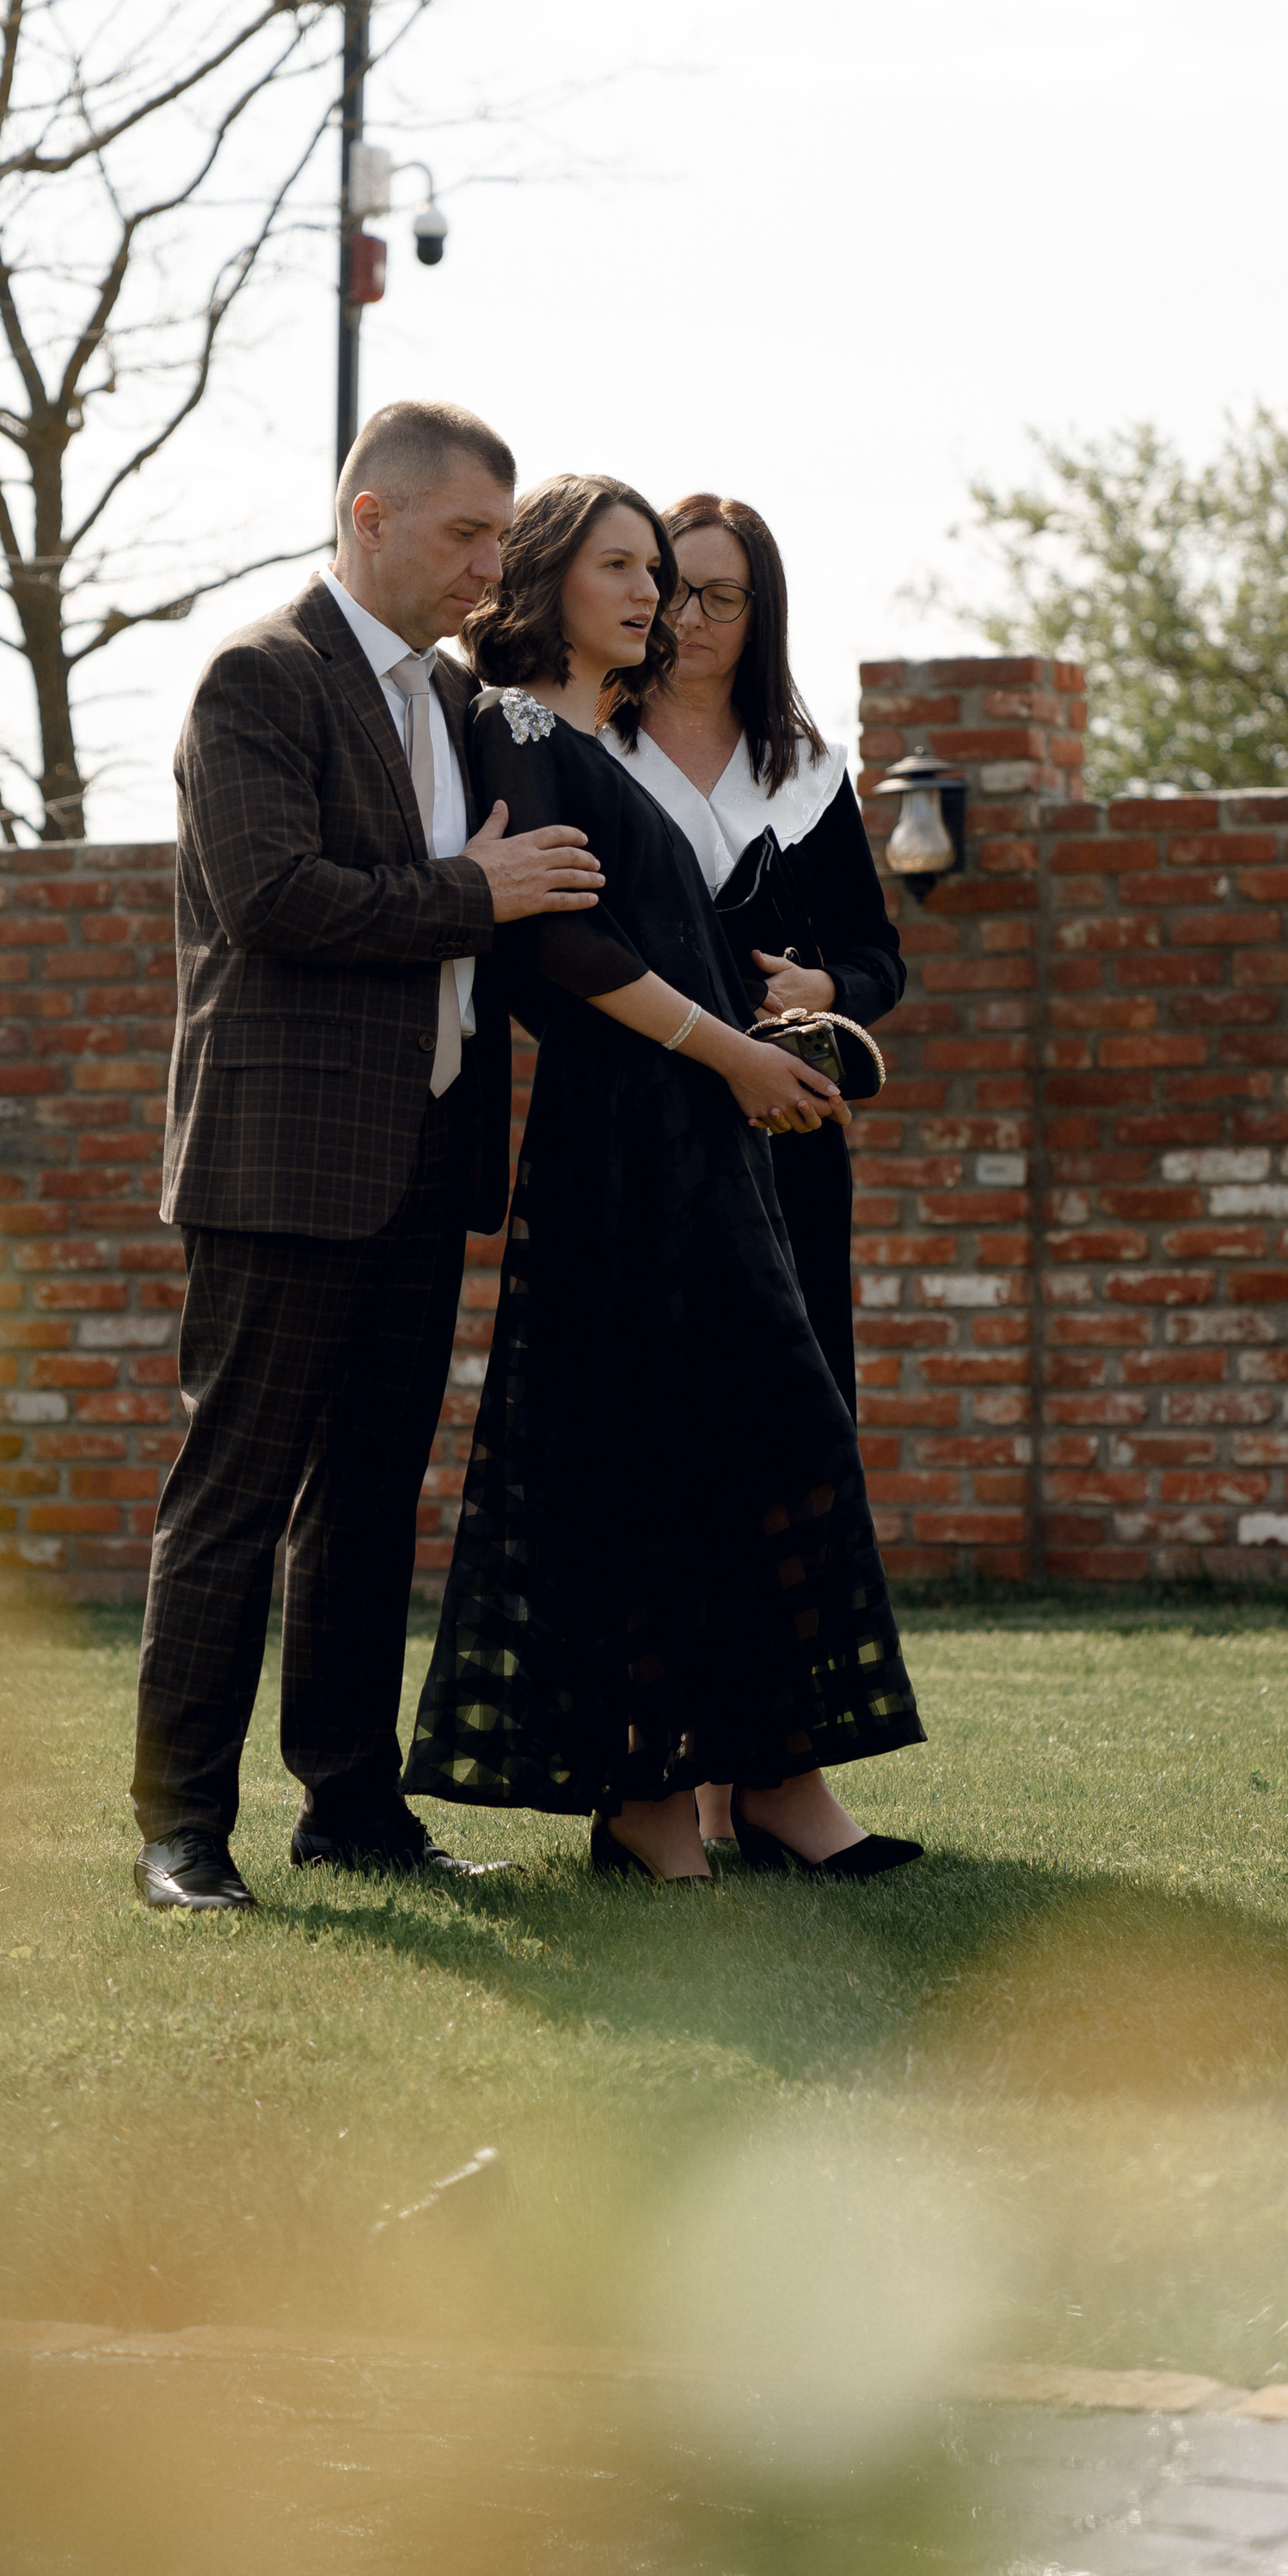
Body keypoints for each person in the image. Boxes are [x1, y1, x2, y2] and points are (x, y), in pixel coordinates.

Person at [404, 475, 925, 1884]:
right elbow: (560, 956)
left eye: (671, 578)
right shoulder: (522, 731)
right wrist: (732, 1055)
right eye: (626, 570)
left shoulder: (606, 742)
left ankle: (776, 1786)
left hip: (711, 1141)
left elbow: (848, 947)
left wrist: (800, 1018)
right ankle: (644, 1802)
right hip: (627, 1139)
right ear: (551, 580)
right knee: (640, 1468)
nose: (656, 599)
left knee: (766, 1448)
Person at [129, 400, 606, 1911]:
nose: (488, 570)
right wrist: (475, 891)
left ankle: (350, 1808)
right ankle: (180, 1833)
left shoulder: (462, 704)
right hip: (281, 1166)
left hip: (425, 1164)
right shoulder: (259, 677)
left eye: (501, 541)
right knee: (234, 1500)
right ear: (371, 518)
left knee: (367, 1506)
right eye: (466, 535)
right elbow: (274, 897)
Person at [602, 491, 903, 1422]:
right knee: (648, 1404)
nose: (689, 617)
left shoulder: (810, 773)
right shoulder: (590, 751)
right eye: (673, 588)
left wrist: (828, 985)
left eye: (721, 597)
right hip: (639, 1121)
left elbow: (880, 957)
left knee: (789, 1406)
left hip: (786, 1129)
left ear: (759, 613)